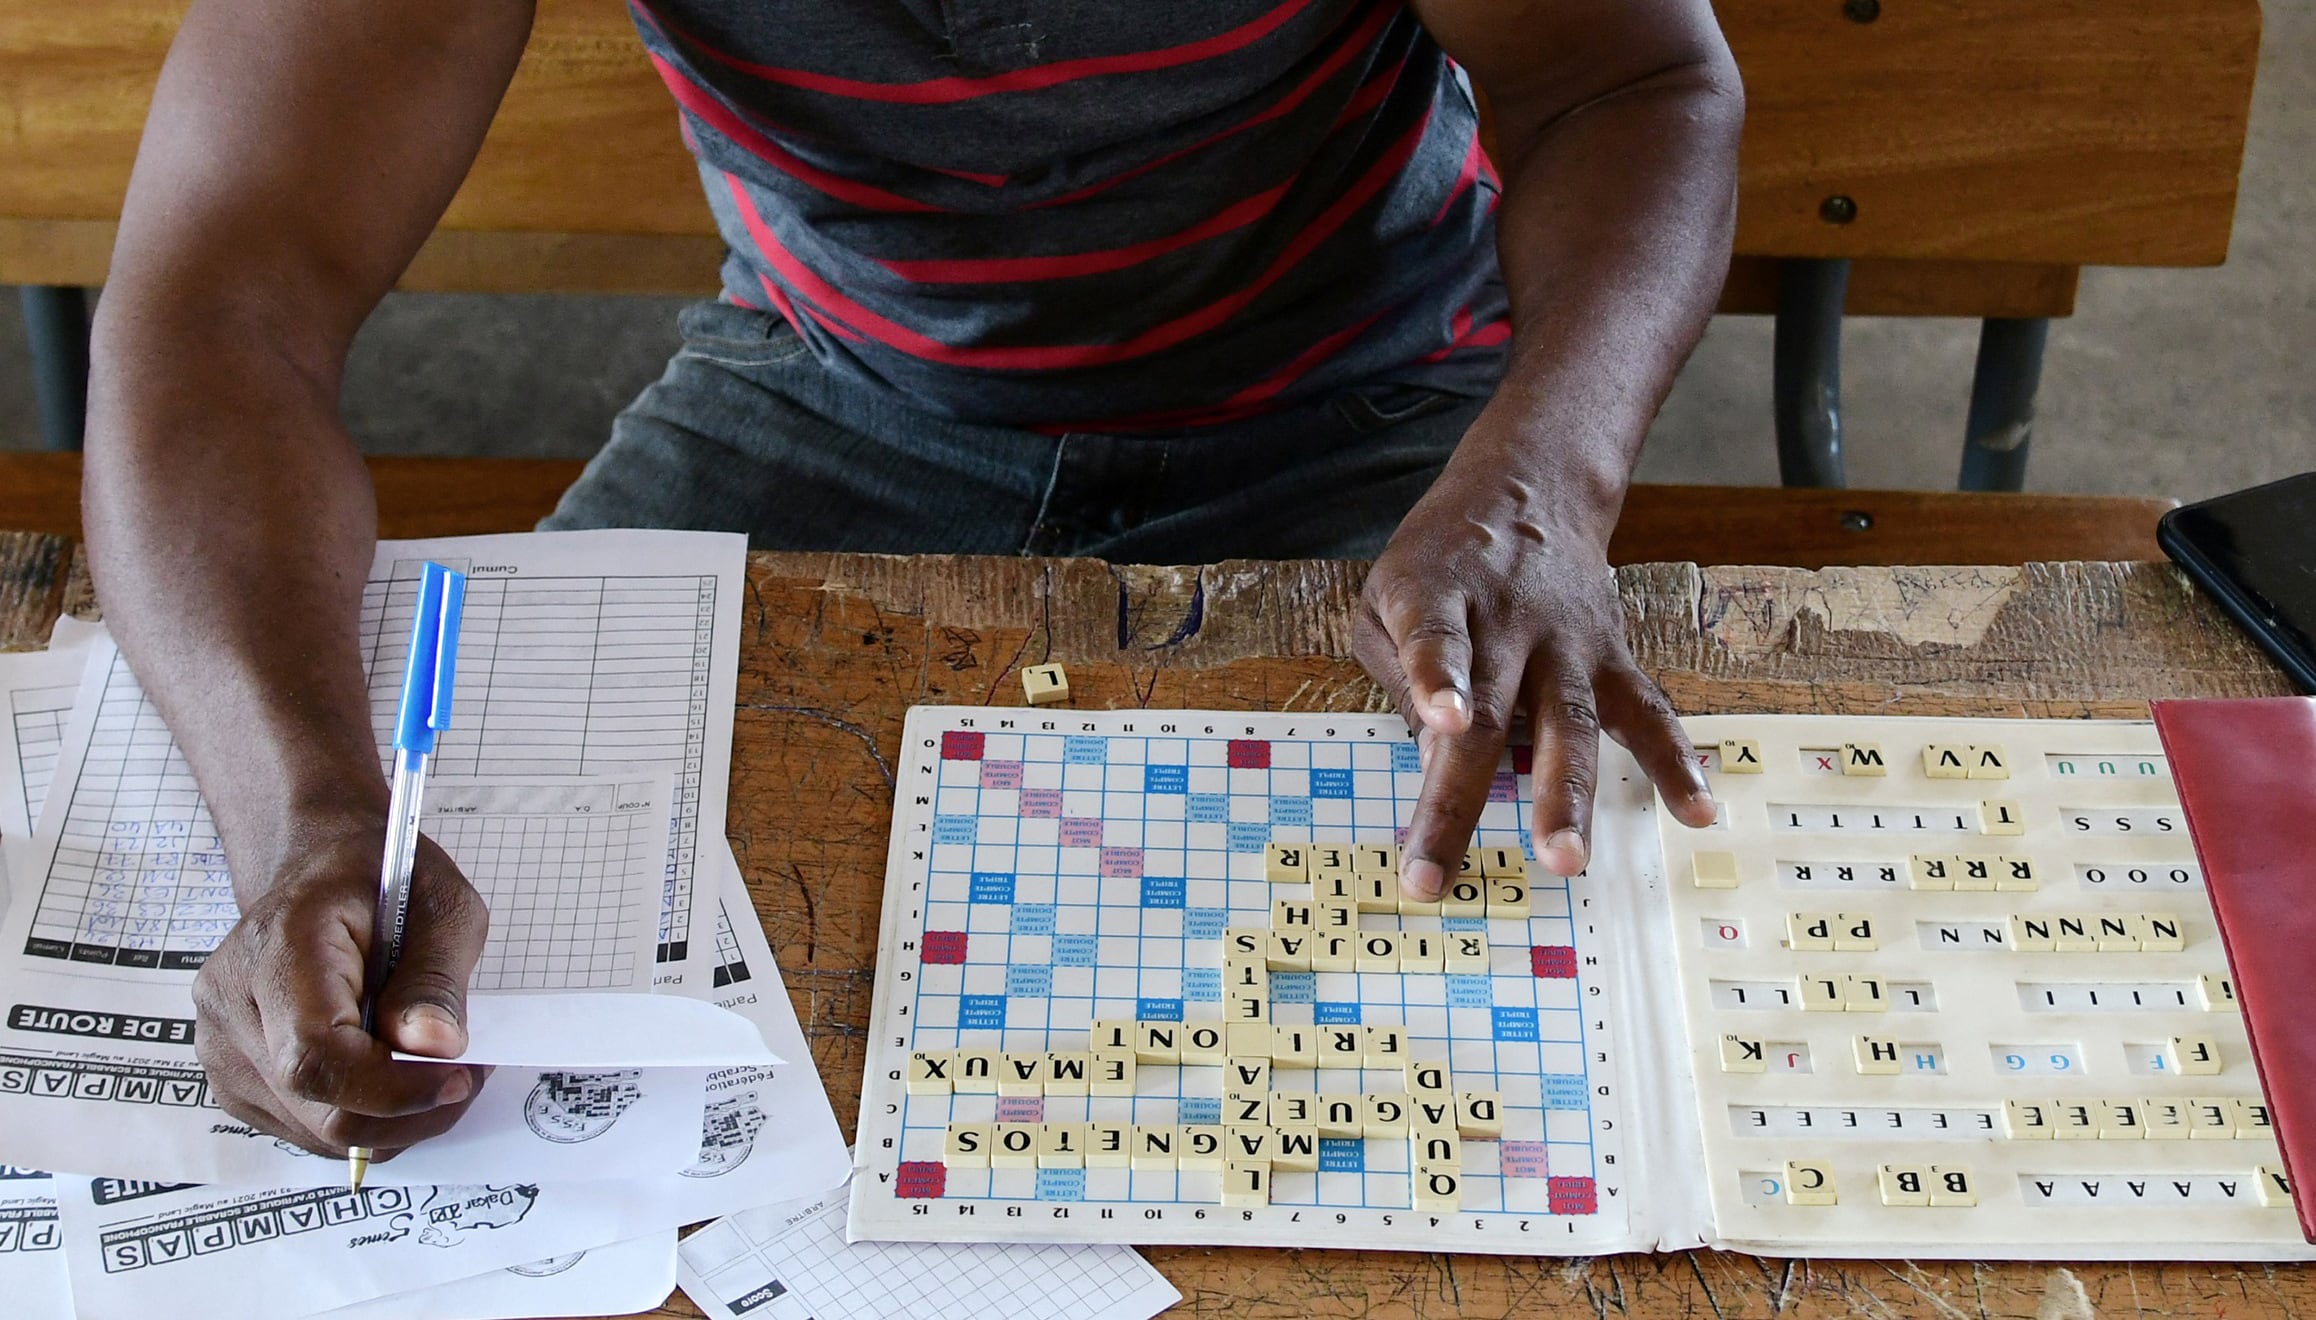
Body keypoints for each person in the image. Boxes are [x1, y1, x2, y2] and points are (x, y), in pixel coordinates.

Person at [81, 0, 1738, 1162]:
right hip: (832, 386)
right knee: (478, 1049)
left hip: (1368, 404)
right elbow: (226, 294)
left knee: (1481, 1044)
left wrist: (1542, 481)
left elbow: (1631, 81)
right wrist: (304, 818)